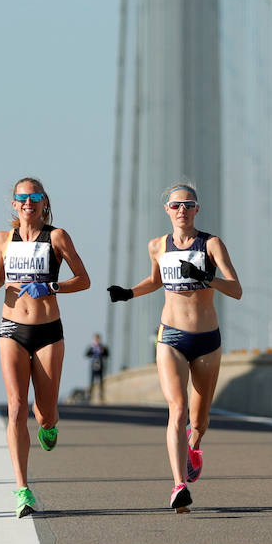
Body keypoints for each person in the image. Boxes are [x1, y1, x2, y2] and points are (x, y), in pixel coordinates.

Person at [107, 181, 241, 512]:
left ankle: (194, 445)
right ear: (167, 210)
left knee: (199, 420)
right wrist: (128, 293)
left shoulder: (211, 244)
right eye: (176, 205)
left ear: (197, 210)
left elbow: (236, 289)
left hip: (207, 341)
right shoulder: (156, 246)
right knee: (177, 409)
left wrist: (206, 277)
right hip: (171, 337)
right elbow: (155, 281)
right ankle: (179, 485)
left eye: (188, 205)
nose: (182, 210)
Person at [0, 177, 91, 518]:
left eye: (35, 197)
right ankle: (23, 489)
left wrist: (51, 286)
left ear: (44, 202)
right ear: (13, 204)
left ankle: (50, 424)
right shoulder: (2, 239)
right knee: (15, 407)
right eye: (22, 198)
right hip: (11, 328)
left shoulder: (57, 237)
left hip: (48, 332)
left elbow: (84, 279)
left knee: (45, 411)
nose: (28, 203)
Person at [85, 333, 109, 403]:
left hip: (100, 366)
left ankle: (101, 397)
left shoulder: (102, 347)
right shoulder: (92, 347)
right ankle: (90, 397)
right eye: (96, 339)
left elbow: (107, 355)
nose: (97, 340)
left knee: (101, 382)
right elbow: (86, 354)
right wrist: (92, 352)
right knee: (91, 382)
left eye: (98, 339)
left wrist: (102, 352)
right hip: (93, 366)